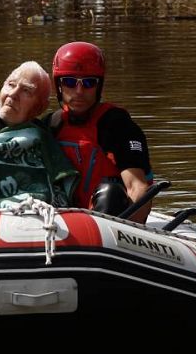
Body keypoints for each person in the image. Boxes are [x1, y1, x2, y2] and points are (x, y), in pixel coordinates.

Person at [47, 41, 155, 221]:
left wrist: (125, 232)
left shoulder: (117, 125)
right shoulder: (51, 125)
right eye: (70, 82)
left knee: (110, 192)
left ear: (99, 86)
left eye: (89, 83)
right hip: (59, 222)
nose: (79, 91)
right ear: (59, 85)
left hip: (108, 219)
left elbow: (137, 186)